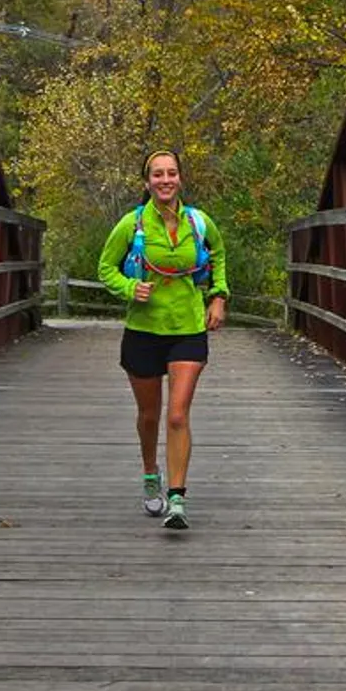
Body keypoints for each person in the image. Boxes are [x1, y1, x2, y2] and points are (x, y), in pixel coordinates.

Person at [97, 149, 229, 529]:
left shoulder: (198, 222)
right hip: (142, 330)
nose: (165, 180)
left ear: (180, 179)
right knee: (149, 415)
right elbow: (105, 267)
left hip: (187, 327)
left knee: (176, 415)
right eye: (158, 174)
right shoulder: (132, 224)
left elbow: (218, 254)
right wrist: (128, 287)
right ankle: (150, 472)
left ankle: (176, 499)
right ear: (147, 182)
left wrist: (218, 296)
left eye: (172, 173)